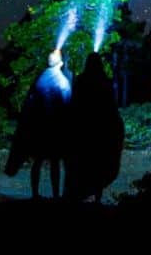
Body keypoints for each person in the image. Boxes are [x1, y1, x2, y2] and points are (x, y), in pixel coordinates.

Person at [4, 49, 72, 199]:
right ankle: (54, 195)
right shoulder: (62, 82)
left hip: (40, 128)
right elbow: (68, 106)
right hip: (54, 129)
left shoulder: (40, 78)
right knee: (54, 162)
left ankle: (36, 194)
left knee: (39, 161)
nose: (51, 56)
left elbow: (31, 102)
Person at [64, 52, 125, 203]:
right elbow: (110, 106)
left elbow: (75, 104)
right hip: (102, 130)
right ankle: (97, 197)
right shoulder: (105, 81)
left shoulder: (80, 80)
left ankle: (78, 195)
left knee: (82, 163)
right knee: (101, 162)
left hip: (83, 130)